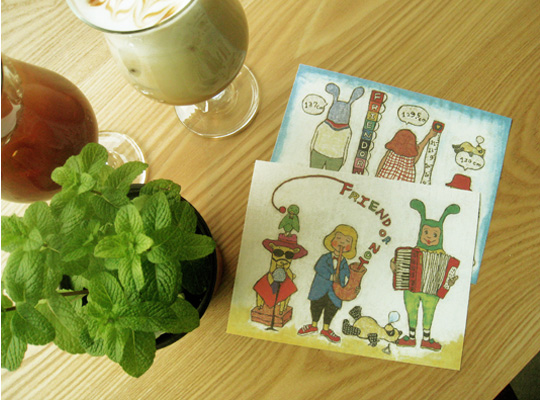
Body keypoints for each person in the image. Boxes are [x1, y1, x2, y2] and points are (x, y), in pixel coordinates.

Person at [390, 200, 460, 350]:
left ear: (440, 236)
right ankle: (411, 337)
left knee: (429, 313)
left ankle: (426, 339)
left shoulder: (444, 257)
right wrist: (395, 267)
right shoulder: (411, 253)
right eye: (426, 232)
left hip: (432, 292)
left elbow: (448, 274)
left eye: (435, 234)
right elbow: (397, 263)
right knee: (411, 311)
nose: (429, 237)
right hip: (412, 289)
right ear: (421, 232)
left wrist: (449, 282)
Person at [297, 225, 358, 343]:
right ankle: (313, 324)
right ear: (332, 240)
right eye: (339, 238)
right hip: (320, 289)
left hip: (335, 292)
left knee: (331, 309)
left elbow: (349, 275)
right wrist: (331, 276)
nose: (342, 242)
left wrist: (353, 285)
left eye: (347, 241)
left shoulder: (344, 262)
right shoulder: (325, 257)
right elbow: (318, 267)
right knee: (316, 306)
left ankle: (326, 329)